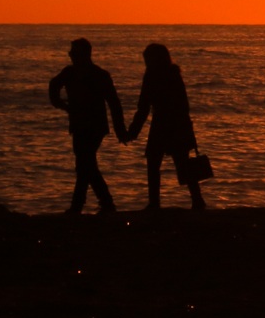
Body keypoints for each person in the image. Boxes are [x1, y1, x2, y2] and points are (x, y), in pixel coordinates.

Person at [48, 37, 125, 215]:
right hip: (79, 125)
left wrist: (120, 129)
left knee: (85, 163)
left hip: (95, 126)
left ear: (84, 54)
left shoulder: (99, 75)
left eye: (73, 53)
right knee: (85, 165)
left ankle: (88, 205)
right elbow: (53, 85)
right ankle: (101, 204)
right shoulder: (69, 73)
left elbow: (114, 103)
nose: (71, 56)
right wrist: (60, 104)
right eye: (70, 53)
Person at [126, 42, 207, 212]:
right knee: (182, 163)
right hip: (178, 123)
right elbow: (184, 104)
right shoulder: (174, 74)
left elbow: (143, 107)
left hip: (163, 124)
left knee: (155, 163)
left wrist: (133, 131)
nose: (146, 62)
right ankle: (197, 200)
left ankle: (155, 203)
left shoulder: (152, 76)